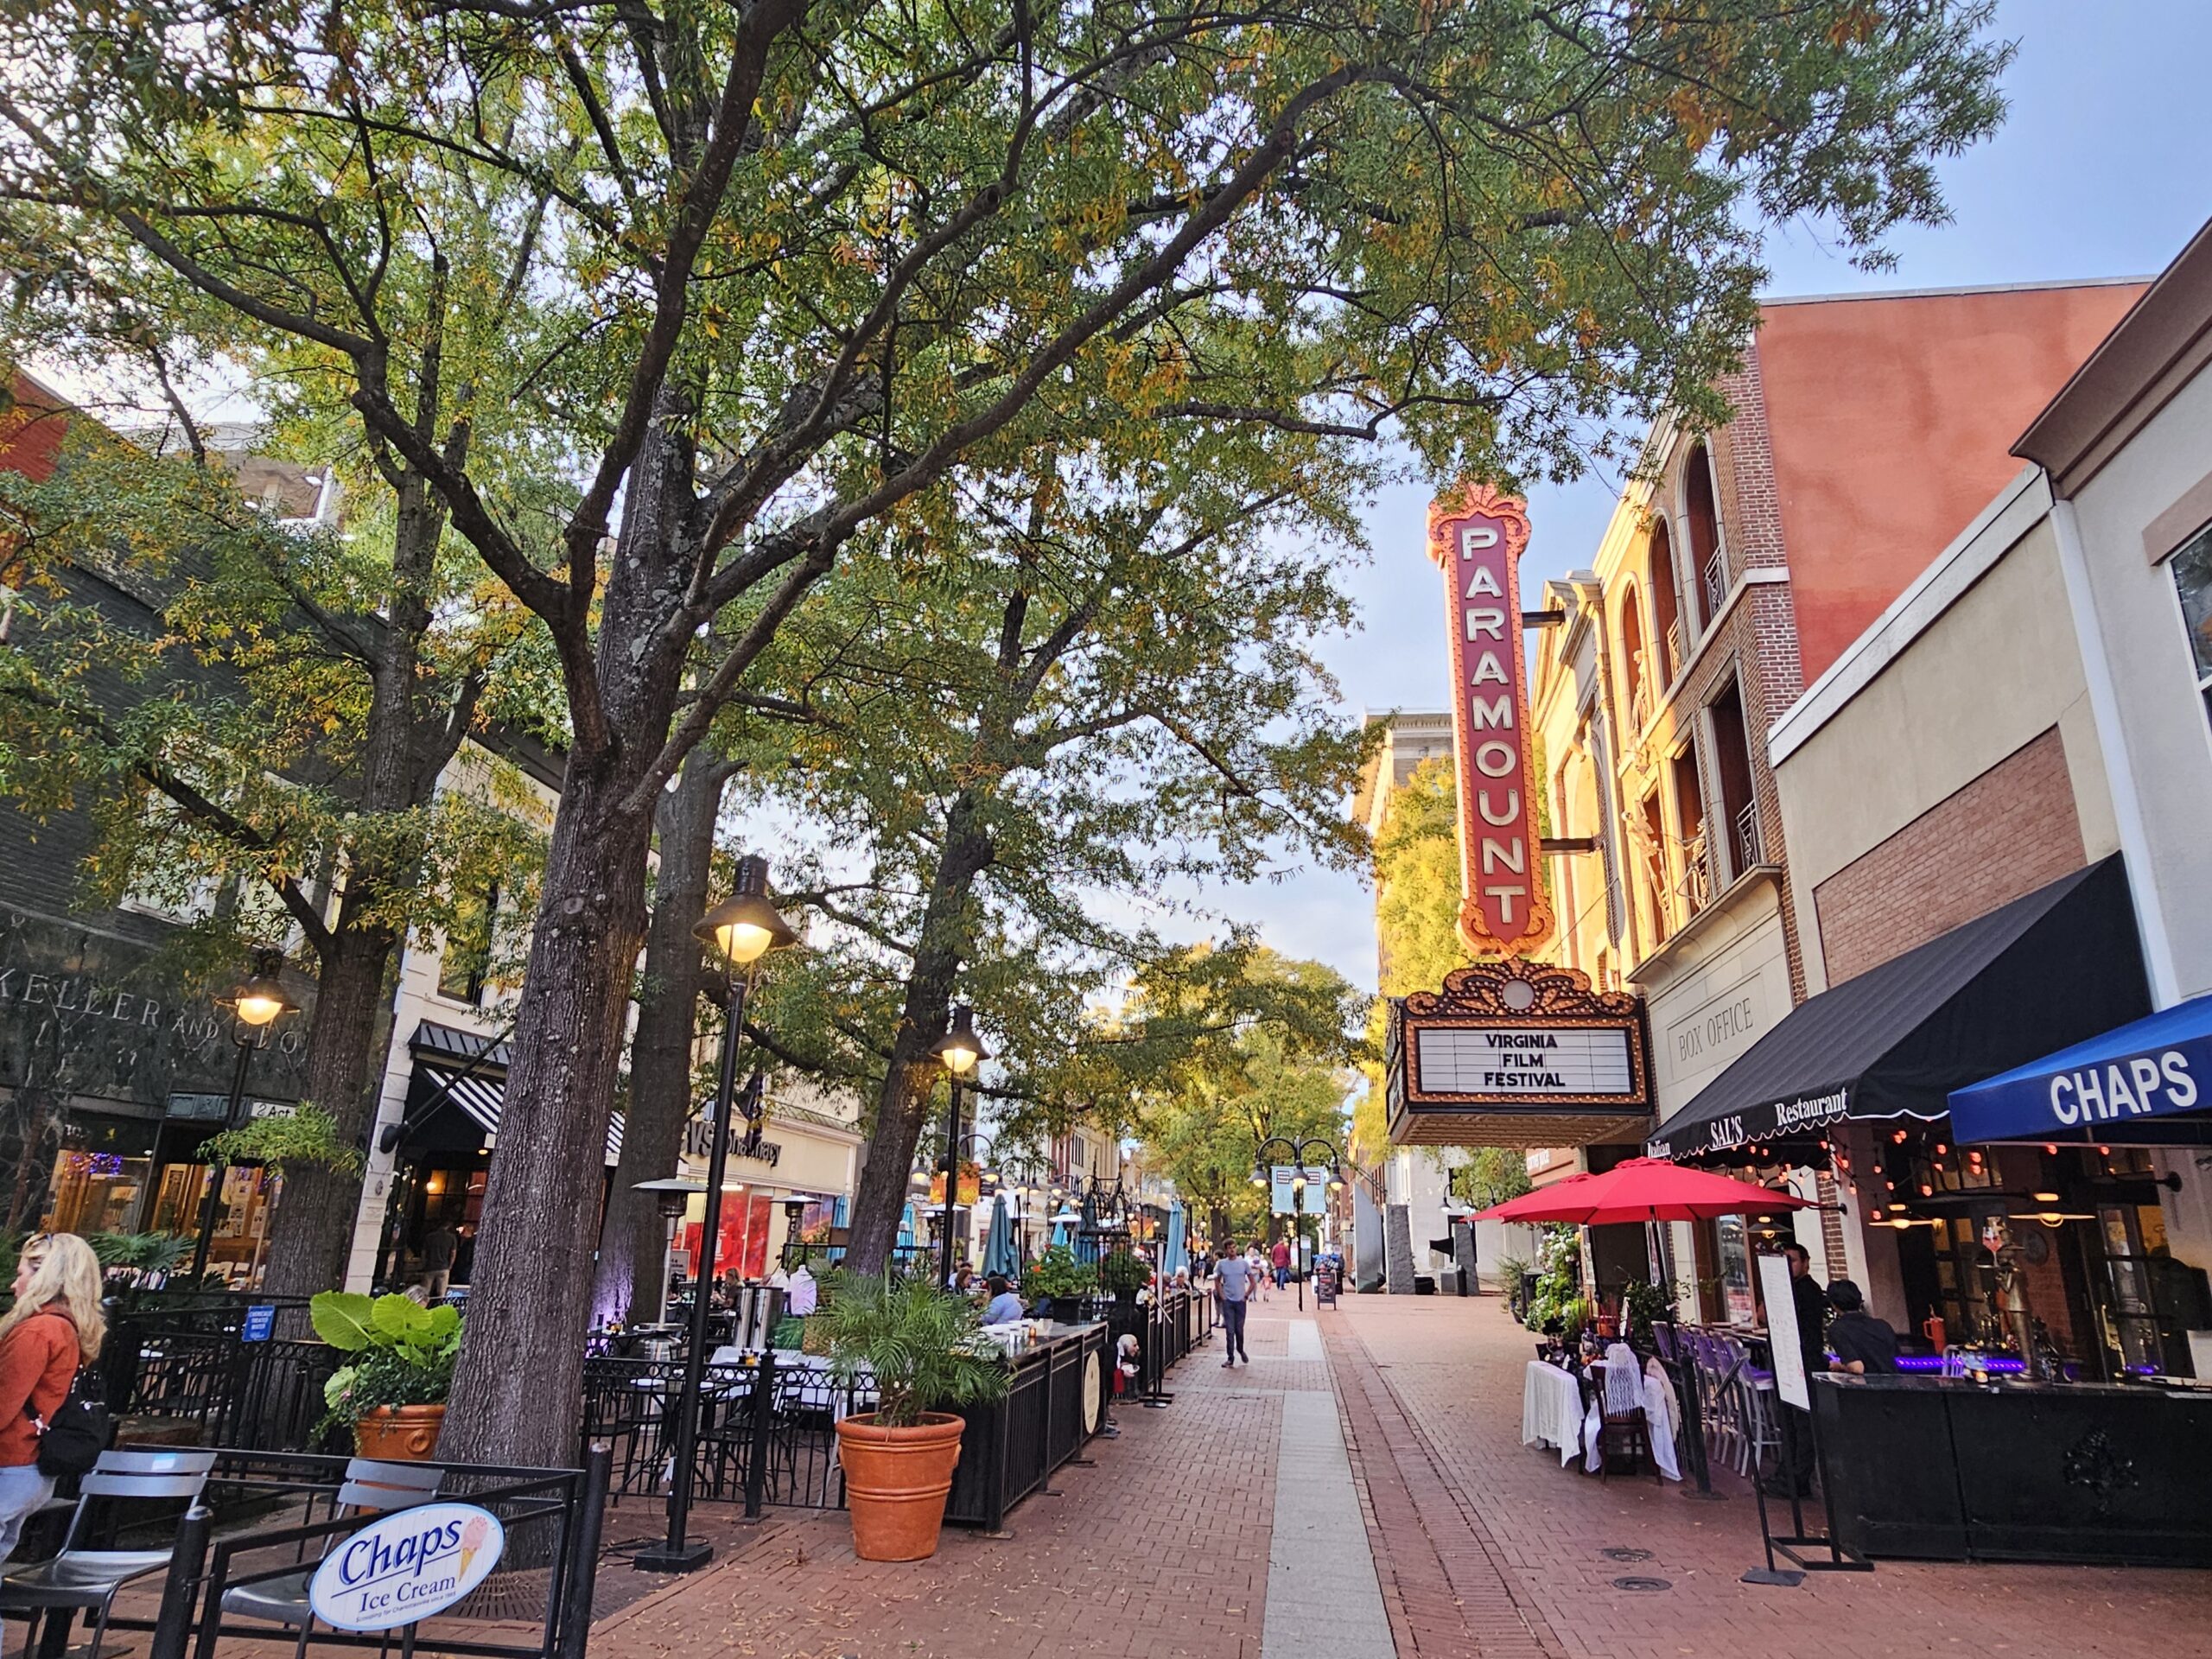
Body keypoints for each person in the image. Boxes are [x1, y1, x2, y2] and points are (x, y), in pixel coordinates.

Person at [0, 1234, 105, 1565]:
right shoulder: (66, 1327)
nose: (14, 1284)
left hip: (10, 1463)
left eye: (22, 1274)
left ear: (44, 1275)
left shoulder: (37, 1331)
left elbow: (3, 1403)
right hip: (29, 1468)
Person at [1765, 1242, 1829, 1498]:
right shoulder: (1785, 1289)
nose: (1788, 1266)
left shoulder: (1809, 1291)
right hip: (1786, 1360)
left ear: (1805, 1262)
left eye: (1792, 1260)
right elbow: (1762, 1314)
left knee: (1803, 1424)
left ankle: (1798, 1479)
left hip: (1804, 1361)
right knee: (1788, 1422)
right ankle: (1786, 1473)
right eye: (1784, 1261)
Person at [1825, 1280, 1899, 1374]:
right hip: (1894, 1383)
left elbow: (1857, 1368)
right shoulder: (1882, 1325)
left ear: (1833, 1305)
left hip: (1867, 1386)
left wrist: (1839, 1365)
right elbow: (1896, 1359)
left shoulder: (1837, 1329)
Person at [1215, 1248, 1255, 1365]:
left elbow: (1252, 1281)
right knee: (1230, 1330)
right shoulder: (1221, 1264)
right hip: (1228, 1301)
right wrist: (1222, 1295)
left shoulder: (1243, 1263)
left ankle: (1240, 1349)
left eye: (1234, 1247)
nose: (1232, 1250)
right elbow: (1217, 1280)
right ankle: (1230, 1357)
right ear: (1226, 1250)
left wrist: (1246, 1295)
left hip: (1240, 1301)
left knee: (1239, 1329)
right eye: (1229, 1248)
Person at [419, 1224, 458, 1300]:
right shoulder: (451, 1238)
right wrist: (450, 1265)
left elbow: (423, 1252)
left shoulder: (429, 1237)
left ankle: (423, 1306)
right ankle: (439, 1306)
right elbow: (453, 1253)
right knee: (441, 1293)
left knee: (425, 1292)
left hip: (430, 1267)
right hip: (444, 1267)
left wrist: (424, 1264)